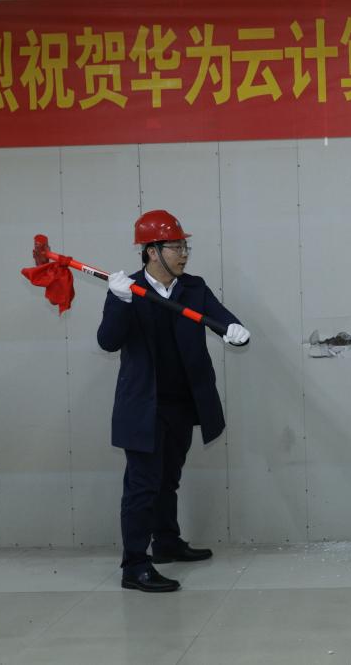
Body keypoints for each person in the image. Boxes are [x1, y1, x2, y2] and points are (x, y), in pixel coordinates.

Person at [97, 209, 250, 592]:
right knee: (142, 485)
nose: (183, 254)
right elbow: (108, 341)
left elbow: (221, 317)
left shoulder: (193, 288)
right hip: (143, 406)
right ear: (152, 251)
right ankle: (135, 565)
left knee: (168, 478)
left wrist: (233, 329)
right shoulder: (128, 289)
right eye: (176, 247)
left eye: (185, 247)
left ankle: (166, 541)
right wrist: (120, 301)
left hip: (182, 403)